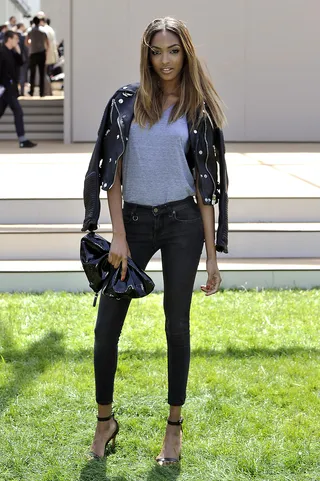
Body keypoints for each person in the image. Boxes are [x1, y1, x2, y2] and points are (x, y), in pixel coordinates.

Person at [82, 17, 229, 464]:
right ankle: (105, 422)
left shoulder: (198, 107)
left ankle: (173, 427)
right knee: (107, 326)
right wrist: (118, 237)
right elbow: (112, 174)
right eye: (156, 51)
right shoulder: (125, 102)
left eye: (173, 51)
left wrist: (211, 258)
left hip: (182, 221)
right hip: (135, 223)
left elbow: (205, 188)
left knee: (176, 324)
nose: (165, 60)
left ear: (186, 52)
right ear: (146, 54)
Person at [0, 31, 37, 148]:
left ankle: (22, 139)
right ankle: (22, 139)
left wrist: (18, 50)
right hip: (5, 88)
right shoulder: (1, 51)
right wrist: (6, 84)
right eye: (16, 39)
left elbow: (21, 62)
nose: (18, 41)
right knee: (18, 111)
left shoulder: (11, 52)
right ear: (9, 39)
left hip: (9, 89)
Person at [26, 16, 48, 97]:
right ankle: (41, 92)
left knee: (32, 73)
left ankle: (31, 91)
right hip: (42, 53)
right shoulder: (43, 31)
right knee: (42, 73)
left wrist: (31, 46)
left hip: (33, 53)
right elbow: (47, 43)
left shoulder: (30, 31)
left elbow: (26, 42)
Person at [16, 23, 29, 96]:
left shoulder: (12, 35)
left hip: (14, 59)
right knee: (22, 75)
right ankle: (22, 91)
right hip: (23, 59)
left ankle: (16, 91)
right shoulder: (23, 37)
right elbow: (26, 49)